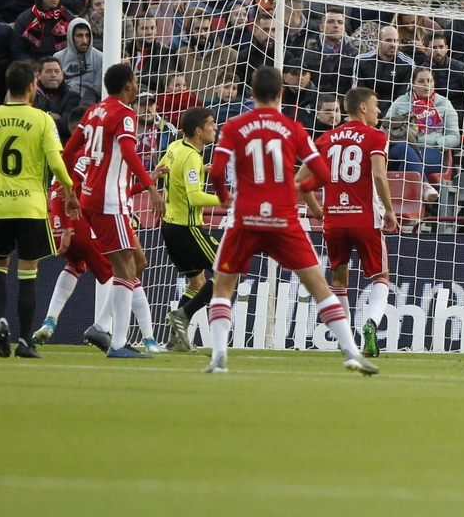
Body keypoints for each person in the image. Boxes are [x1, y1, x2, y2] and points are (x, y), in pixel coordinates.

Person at [203, 65, 375, 375]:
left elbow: (216, 171)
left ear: (251, 93)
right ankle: (351, 352)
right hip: (283, 217)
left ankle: (218, 356)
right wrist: (297, 187)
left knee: (223, 287)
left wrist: (224, 196)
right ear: (281, 93)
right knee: (320, 287)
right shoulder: (293, 128)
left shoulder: (233, 126)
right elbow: (322, 174)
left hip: (244, 216)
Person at [66, 63, 163, 357]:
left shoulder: (93, 112)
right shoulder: (124, 114)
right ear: (128, 85)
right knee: (126, 269)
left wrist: (70, 191)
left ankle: (101, 326)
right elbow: (129, 152)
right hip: (110, 201)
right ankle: (118, 342)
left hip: (92, 199)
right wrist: (151, 188)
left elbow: (68, 152)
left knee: (138, 262)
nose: (137, 85)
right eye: (135, 80)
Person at [297, 86, 398, 361]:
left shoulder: (327, 138)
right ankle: (371, 324)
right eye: (376, 105)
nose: (379, 110)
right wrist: (389, 210)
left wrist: (317, 211)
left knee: (339, 279)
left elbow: (300, 182)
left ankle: (347, 341)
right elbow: (379, 175)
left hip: (334, 220)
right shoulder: (376, 136)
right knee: (381, 277)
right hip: (365, 219)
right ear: (363, 107)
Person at [0, 60, 78, 358]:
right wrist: (70, 190)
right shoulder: (43, 120)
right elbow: (56, 162)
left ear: (9, 87)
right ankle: (25, 341)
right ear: (32, 86)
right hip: (30, 206)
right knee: (28, 272)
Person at [154, 104, 221, 352]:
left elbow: (161, 171)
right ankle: (182, 315)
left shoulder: (175, 146)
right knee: (229, 270)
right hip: (188, 228)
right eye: (211, 123)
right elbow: (195, 198)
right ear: (198, 130)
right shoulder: (192, 156)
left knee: (197, 282)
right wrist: (227, 200)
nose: (215, 128)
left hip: (170, 227)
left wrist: (198, 171)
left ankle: (175, 341)